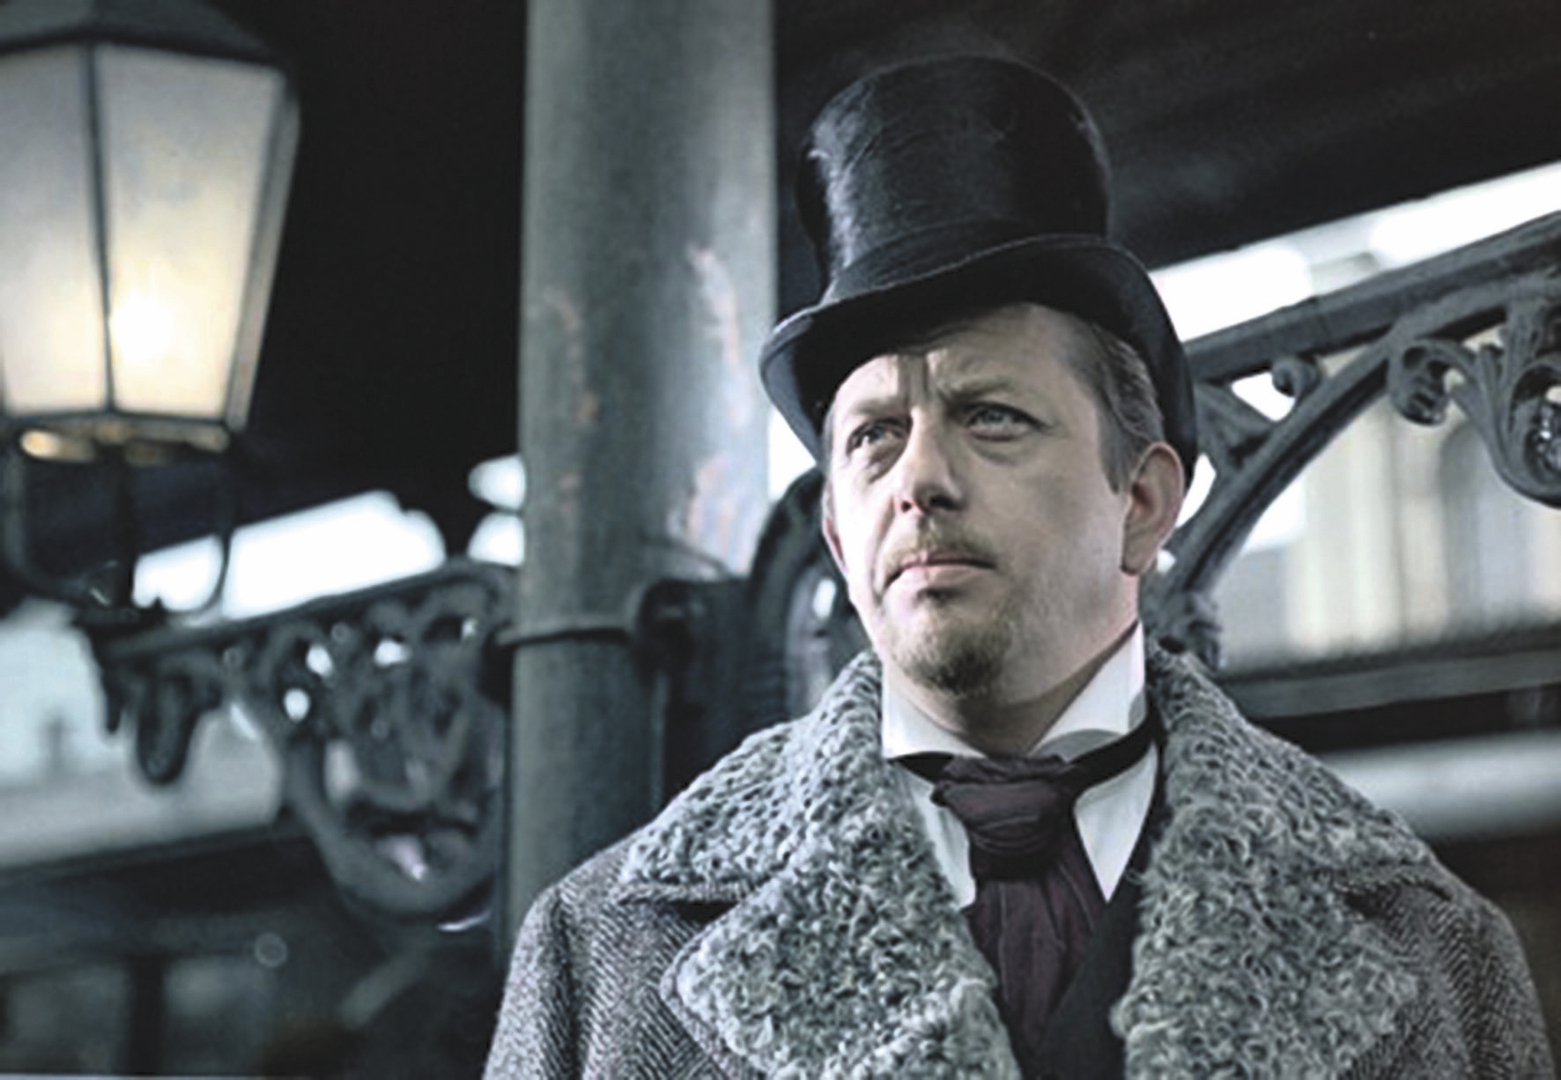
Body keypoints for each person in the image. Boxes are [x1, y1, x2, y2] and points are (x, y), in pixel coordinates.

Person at [485, 55, 1553, 1078]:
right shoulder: (606, 950)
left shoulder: (1432, 948)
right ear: (838, 538)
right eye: (874, 437)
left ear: (1141, 502)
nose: (919, 478)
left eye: (991, 416)